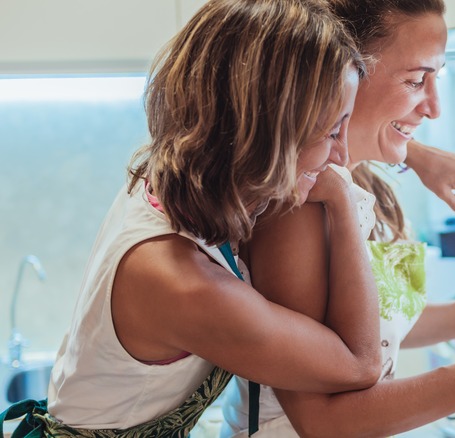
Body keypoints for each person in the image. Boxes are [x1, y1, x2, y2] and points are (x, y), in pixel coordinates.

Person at [220, 1, 455, 437]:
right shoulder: (300, 204)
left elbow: (381, 324)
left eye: (436, 78)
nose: (434, 107)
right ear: (343, 72)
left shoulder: (367, 181)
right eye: (415, 80)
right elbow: (321, 420)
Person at [0, 1, 387, 436]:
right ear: (269, 132)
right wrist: (341, 202)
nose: (343, 156)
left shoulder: (180, 175)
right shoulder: (182, 282)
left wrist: (420, 157)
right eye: (332, 132)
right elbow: (359, 362)